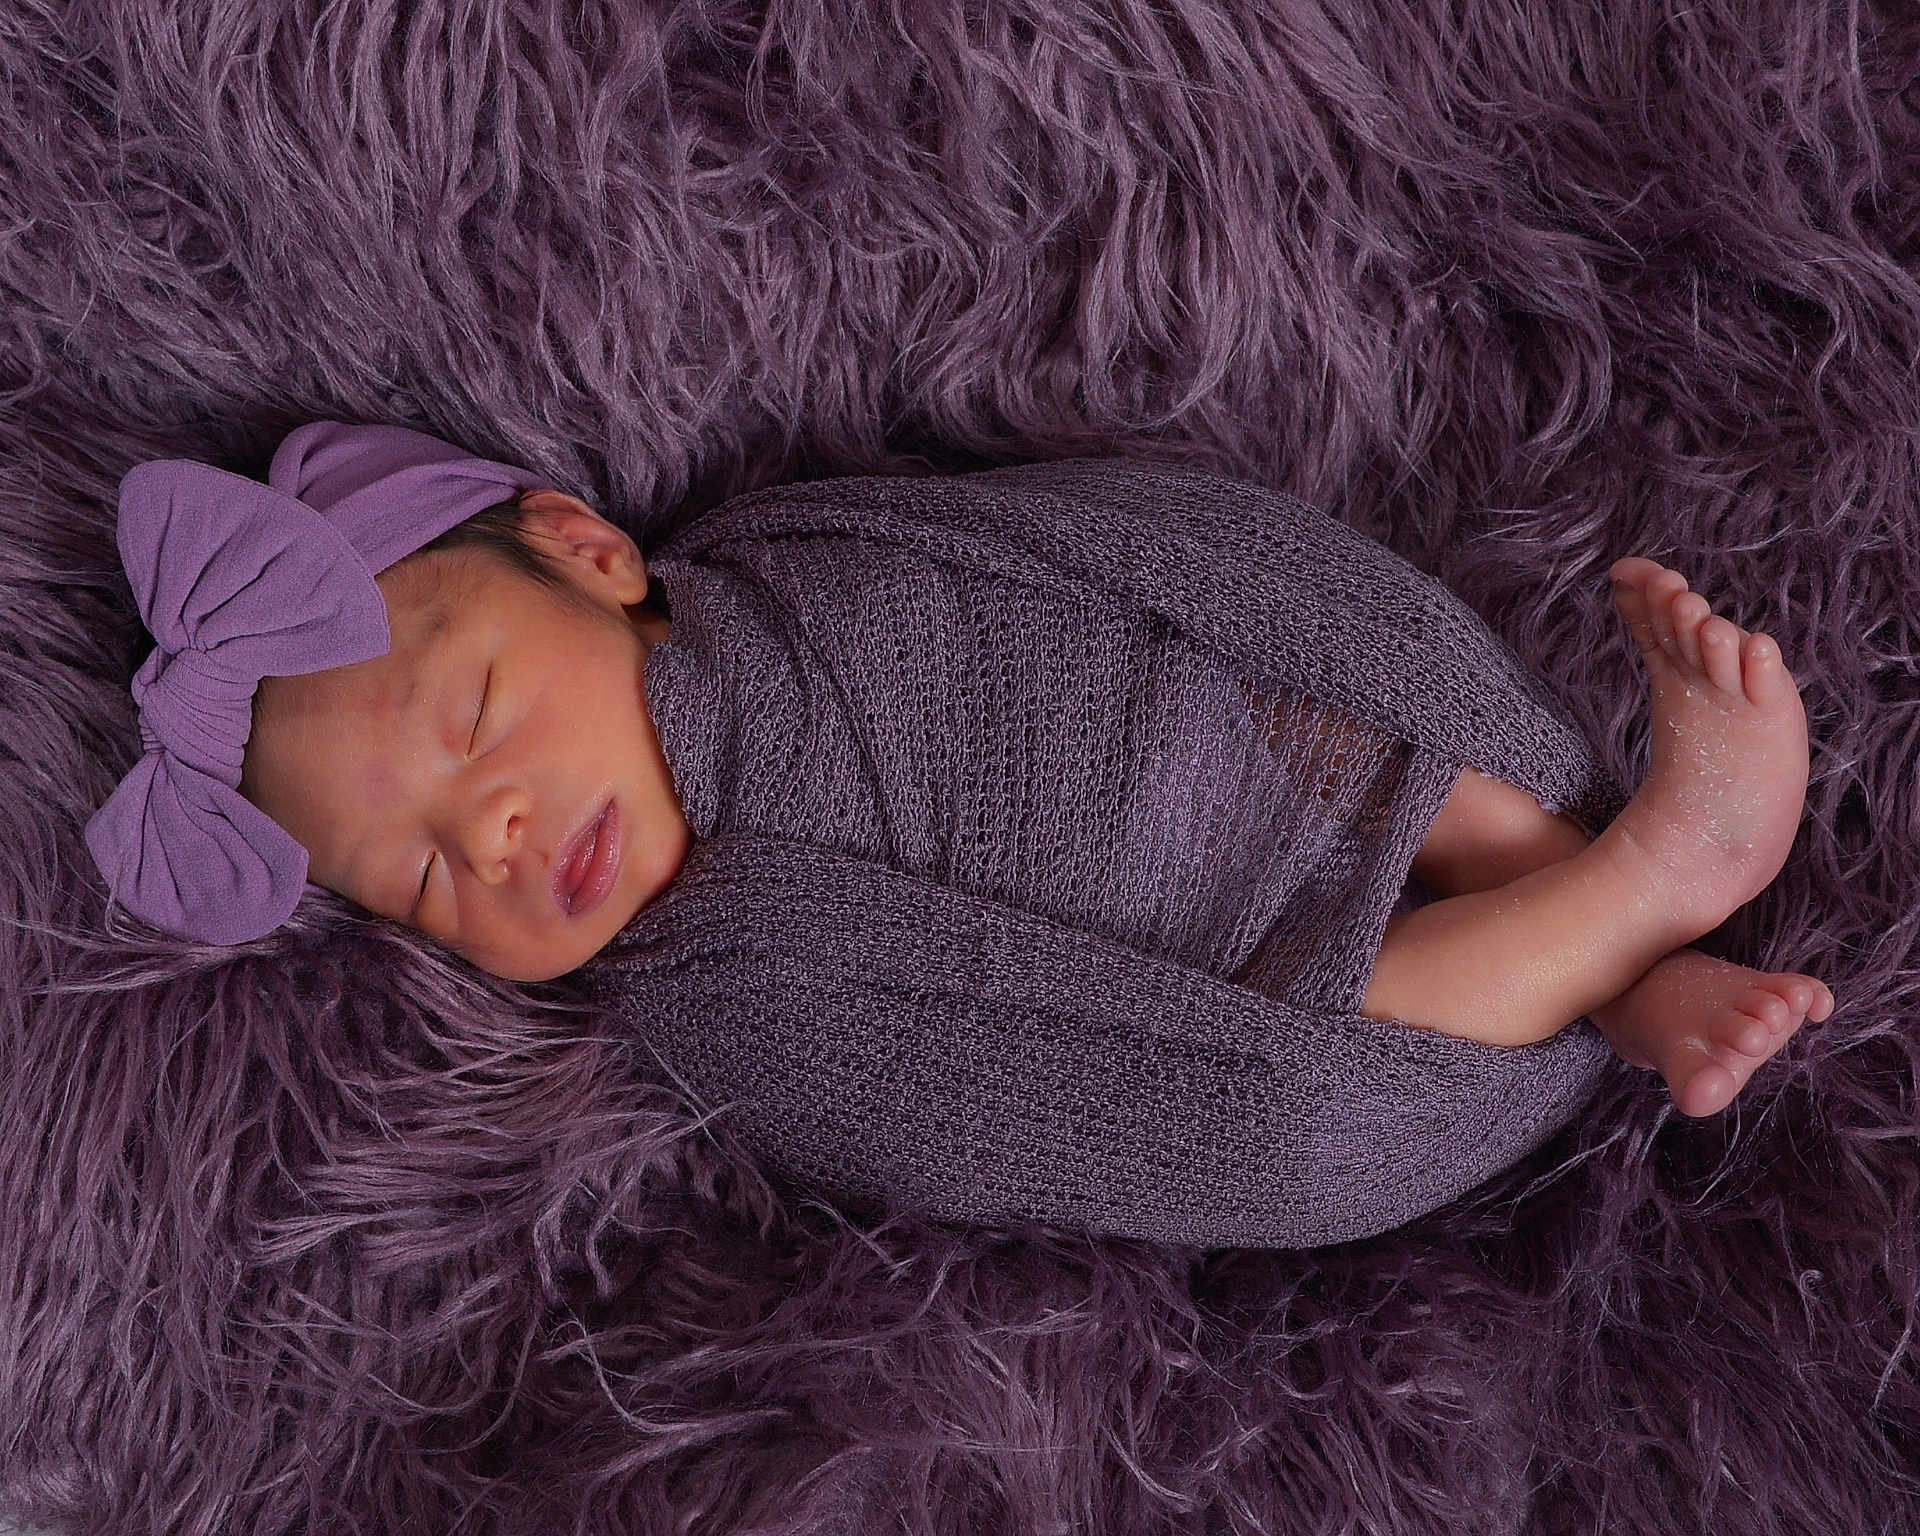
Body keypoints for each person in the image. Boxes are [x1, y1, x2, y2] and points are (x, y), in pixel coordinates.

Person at [87, 421, 1833, 1122]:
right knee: (1321, 1053)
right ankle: (1644, 895)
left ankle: (1611, 921)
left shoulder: (800, 562)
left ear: (590, 551)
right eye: (419, 882)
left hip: (1235, 752)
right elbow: (983, 1109)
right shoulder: (711, 1003)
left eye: (475, 719)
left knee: (1347, 729)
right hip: (1212, 997)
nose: (492, 834)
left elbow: (1074, 563)